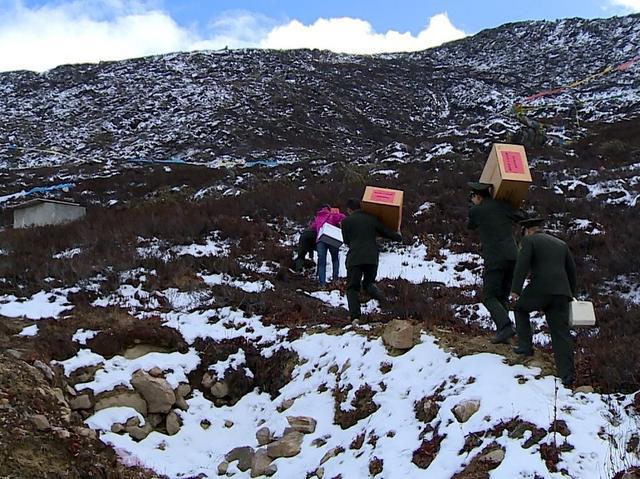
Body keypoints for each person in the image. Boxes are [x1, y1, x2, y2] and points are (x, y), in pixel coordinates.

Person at [510, 217, 577, 387]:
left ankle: (525, 346)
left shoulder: (529, 241)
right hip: (562, 292)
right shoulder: (561, 244)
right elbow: (572, 271)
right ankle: (567, 375)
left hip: (540, 287)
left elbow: (522, 265)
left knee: (520, 309)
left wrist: (516, 289)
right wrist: (571, 294)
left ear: (526, 230)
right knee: (561, 332)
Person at [467, 181, 525, 344]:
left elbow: (470, 226)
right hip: (513, 257)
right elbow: (522, 215)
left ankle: (505, 326)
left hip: (495, 258)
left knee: (489, 297)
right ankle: (504, 333)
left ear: (477, 196)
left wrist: (476, 207)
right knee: (502, 297)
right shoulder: (503, 206)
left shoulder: (476, 210)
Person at [341, 198, 402, 323]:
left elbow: (346, 241)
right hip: (371, 258)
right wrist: (398, 236)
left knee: (352, 287)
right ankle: (386, 304)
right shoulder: (372, 218)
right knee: (369, 284)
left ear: (349, 210)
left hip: (355, 258)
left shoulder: (346, 221)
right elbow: (387, 232)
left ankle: (355, 317)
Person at [309, 206, 346, 285]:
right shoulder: (332, 215)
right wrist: (336, 213)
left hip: (320, 240)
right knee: (335, 259)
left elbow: (312, 227)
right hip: (331, 238)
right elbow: (343, 217)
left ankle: (322, 283)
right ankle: (335, 279)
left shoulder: (317, 218)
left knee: (322, 262)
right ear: (329, 209)